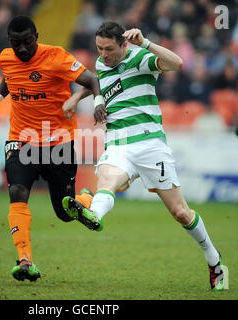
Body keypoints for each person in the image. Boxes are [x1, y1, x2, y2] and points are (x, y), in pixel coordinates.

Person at [61, 21, 225, 291]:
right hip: (119, 143)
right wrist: (77, 98)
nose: (103, 55)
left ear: (124, 44)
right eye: (99, 49)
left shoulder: (139, 57)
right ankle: (94, 216)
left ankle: (213, 258)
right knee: (107, 181)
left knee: (181, 213)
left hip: (150, 144)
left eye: (109, 49)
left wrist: (146, 43)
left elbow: (178, 63)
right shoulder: (102, 64)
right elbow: (97, 80)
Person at [0, 16, 106, 282]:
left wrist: (97, 102)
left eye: (28, 42)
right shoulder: (6, 57)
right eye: (17, 44)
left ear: (36, 37)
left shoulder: (57, 57)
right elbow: (9, 78)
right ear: (9, 42)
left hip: (58, 142)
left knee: (64, 213)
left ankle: (84, 199)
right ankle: (25, 260)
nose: (23, 49)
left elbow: (92, 79)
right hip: (21, 140)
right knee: (17, 190)